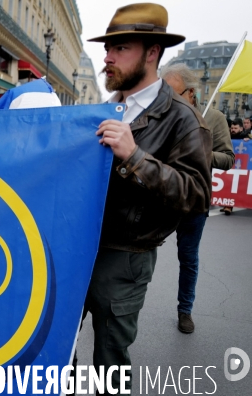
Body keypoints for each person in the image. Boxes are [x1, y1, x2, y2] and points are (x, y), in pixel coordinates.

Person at [77, 3, 211, 392]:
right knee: (58, 343)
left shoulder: (183, 118)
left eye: (121, 48)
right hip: (77, 247)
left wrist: (136, 157)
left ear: (152, 53)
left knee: (110, 360)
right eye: (108, 48)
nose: (108, 57)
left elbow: (198, 195)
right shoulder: (104, 107)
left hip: (125, 256)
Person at [161, 63, 234, 333]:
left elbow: (228, 158)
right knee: (139, 252)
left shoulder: (214, 118)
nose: (168, 99)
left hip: (195, 200)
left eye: (174, 93)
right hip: (164, 196)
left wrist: (202, 151)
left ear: (191, 92)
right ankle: (117, 307)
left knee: (188, 258)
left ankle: (185, 310)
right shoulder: (164, 114)